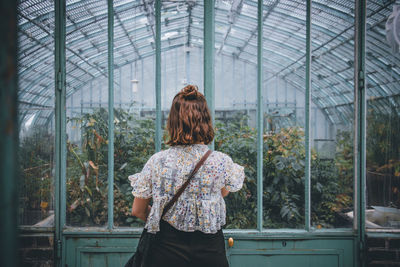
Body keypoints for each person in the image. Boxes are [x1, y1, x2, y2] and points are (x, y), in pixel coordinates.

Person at [128, 85, 245, 267]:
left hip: (164, 249)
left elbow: (137, 210)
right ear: (206, 120)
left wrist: (162, 215)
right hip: (210, 251)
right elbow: (221, 193)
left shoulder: (157, 162)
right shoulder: (221, 162)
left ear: (173, 123)